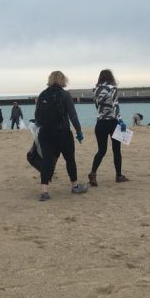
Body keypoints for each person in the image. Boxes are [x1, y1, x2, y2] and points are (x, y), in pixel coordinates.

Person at [34, 70, 88, 201]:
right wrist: (79, 131)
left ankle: (44, 191)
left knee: (47, 160)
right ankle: (75, 186)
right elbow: (73, 116)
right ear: (63, 80)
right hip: (62, 133)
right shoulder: (65, 95)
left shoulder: (42, 94)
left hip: (45, 133)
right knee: (69, 159)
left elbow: (37, 117)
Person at [88, 69, 129, 186]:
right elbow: (115, 105)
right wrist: (120, 120)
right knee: (116, 150)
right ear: (111, 77)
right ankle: (119, 176)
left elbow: (97, 107)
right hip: (113, 122)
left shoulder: (94, 90)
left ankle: (93, 173)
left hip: (100, 123)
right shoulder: (112, 88)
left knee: (101, 150)